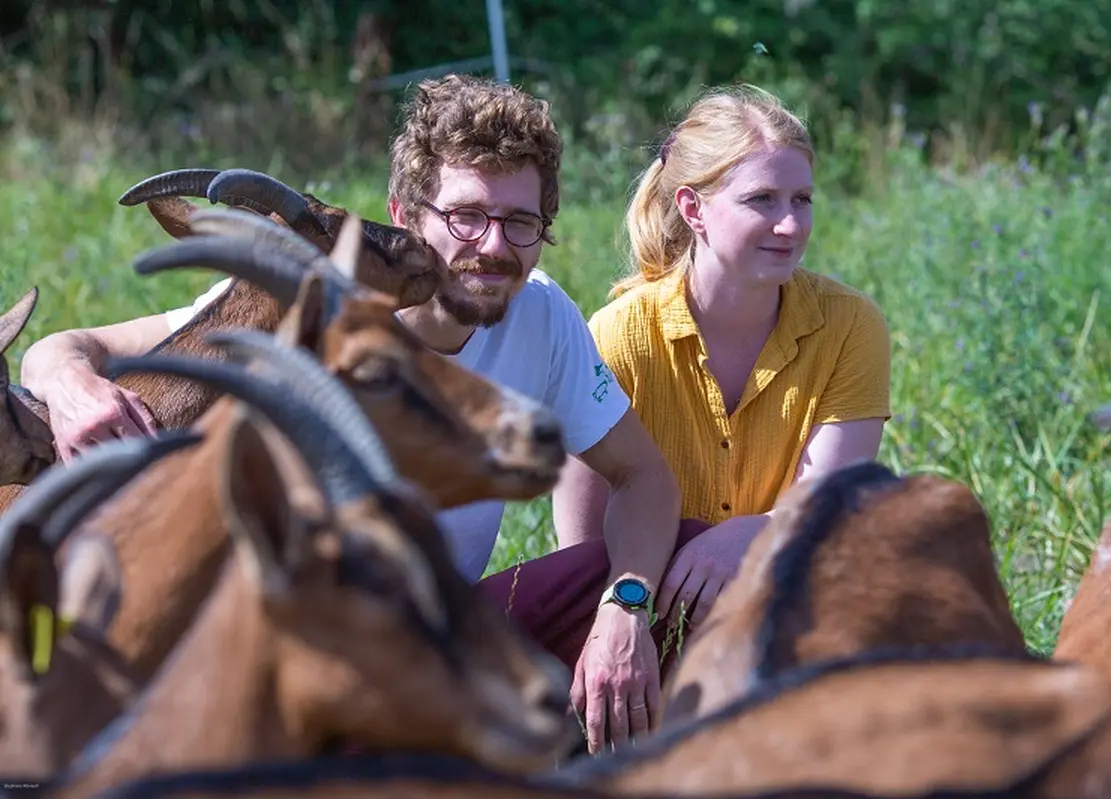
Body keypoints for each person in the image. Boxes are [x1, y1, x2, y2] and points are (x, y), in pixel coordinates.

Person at [18, 74, 683, 754]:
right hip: (301, 660)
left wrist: (624, 606)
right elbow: (70, 347)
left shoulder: (541, 314)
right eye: (466, 216)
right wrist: (68, 382)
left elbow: (644, 478)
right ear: (405, 211)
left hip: (439, 632)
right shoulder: (307, 303)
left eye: (520, 221)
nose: (493, 246)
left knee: (681, 562)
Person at [553, 84, 892, 639]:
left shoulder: (850, 326)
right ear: (693, 209)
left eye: (801, 199)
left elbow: (830, 502)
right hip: (641, 613)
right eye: (762, 199)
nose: (790, 225)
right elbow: (580, 557)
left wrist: (752, 534)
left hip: (787, 604)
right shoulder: (618, 336)